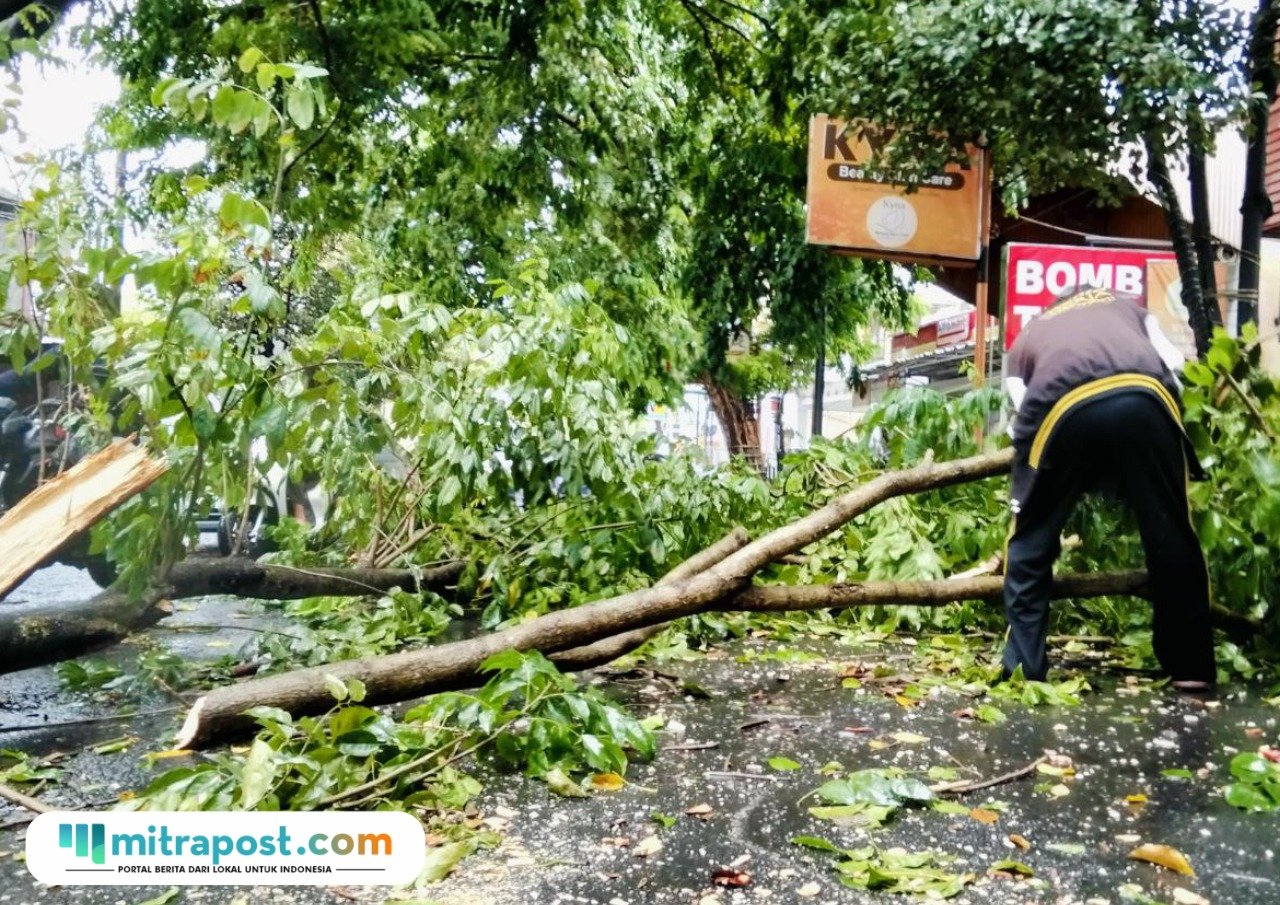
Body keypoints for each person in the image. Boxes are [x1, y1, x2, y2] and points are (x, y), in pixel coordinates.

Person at [1001, 286, 1215, 690]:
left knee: (1030, 539)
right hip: (1145, 394)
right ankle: (1192, 669)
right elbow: (1175, 367)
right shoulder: (1128, 308)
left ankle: (1023, 667)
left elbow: (1020, 410)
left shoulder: (1030, 332)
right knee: (1171, 531)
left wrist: (1048, 484)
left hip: (1056, 404)